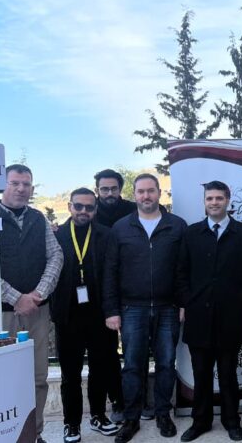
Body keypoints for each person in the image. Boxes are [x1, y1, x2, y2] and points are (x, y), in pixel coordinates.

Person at [0, 164, 63, 443]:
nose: (21, 189)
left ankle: (34, 434)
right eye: (14, 183)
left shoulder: (38, 219)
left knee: (37, 377)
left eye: (26, 184)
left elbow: (55, 257)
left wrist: (38, 294)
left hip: (36, 312)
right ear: (2, 184)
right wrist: (16, 298)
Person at [102, 174, 187, 443]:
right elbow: (110, 271)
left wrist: (183, 302)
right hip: (131, 309)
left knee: (166, 363)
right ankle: (131, 418)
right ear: (134, 194)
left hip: (168, 308)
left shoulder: (177, 225)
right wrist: (111, 310)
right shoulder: (120, 227)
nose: (146, 196)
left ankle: (163, 413)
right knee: (132, 366)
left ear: (159, 192)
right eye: (141, 191)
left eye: (151, 191)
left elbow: (184, 269)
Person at [176, 181, 242, 442]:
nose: (214, 202)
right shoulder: (191, 233)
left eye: (219, 198)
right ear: (204, 201)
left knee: (228, 374)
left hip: (231, 318)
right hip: (198, 317)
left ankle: (231, 421)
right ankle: (200, 421)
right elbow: (181, 272)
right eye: (209, 198)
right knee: (201, 374)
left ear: (227, 200)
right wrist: (188, 302)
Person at [50, 188, 120, 442]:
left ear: (95, 209)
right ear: (70, 206)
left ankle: (99, 416)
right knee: (70, 374)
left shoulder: (106, 235)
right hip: (67, 316)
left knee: (100, 369)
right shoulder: (56, 235)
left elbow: (112, 274)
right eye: (78, 206)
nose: (83, 211)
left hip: (100, 315)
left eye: (89, 207)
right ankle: (71, 423)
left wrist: (112, 311)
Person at [93, 168, 134, 421]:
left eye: (113, 189)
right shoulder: (89, 211)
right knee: (107, 351)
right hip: (100, 292)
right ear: (97, 190)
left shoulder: (133, 210)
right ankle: (117, 400)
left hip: (132, 289)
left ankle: (138, 399)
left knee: (135, 350)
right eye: (104, 189)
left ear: (120, 189)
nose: (109, 193)